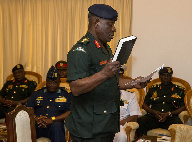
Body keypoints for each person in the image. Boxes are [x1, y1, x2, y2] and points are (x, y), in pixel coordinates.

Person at [66, 4, 148, 141]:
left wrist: (134, 83)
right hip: (88, 128)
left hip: (105, 124)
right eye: (110, 24)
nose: (114, 29)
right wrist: (103, 74)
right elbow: (75, 88)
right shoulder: (81, 51)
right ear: (96, 23)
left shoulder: (105, 49)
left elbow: (112, 81)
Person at [136, 67, 186, 137]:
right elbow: (144, 104)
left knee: (180, 127)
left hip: (171, 118)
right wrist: (153, 112)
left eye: (168, 75)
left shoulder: (179, 90)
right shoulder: (153, 89)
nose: (166, 77)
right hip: (154, 116)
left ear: (171, 77)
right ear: (160, 77)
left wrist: (169, 113)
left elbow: (183, 106)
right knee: (140, 122)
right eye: (163, 75)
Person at [26, 65, 71, 142]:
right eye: (49, 82)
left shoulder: (65, 94)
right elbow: (27, 109)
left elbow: (70, 112)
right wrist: (35, 118)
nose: (51, 85)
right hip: (38, 124)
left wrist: (52, 119)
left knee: (57, 126)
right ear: (46, 81)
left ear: (59, 83)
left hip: (54, 125)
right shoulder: (37, 93)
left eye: (54, 82)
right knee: (29, 124)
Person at [113, 68, 142, 142]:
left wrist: (117, 124)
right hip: (102, 124)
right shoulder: (102, 93)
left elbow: (134, 117)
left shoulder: (130, 95)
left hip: (120, 125)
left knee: (121, 135)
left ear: (122, 77)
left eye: (119, 75)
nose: (117, 78)